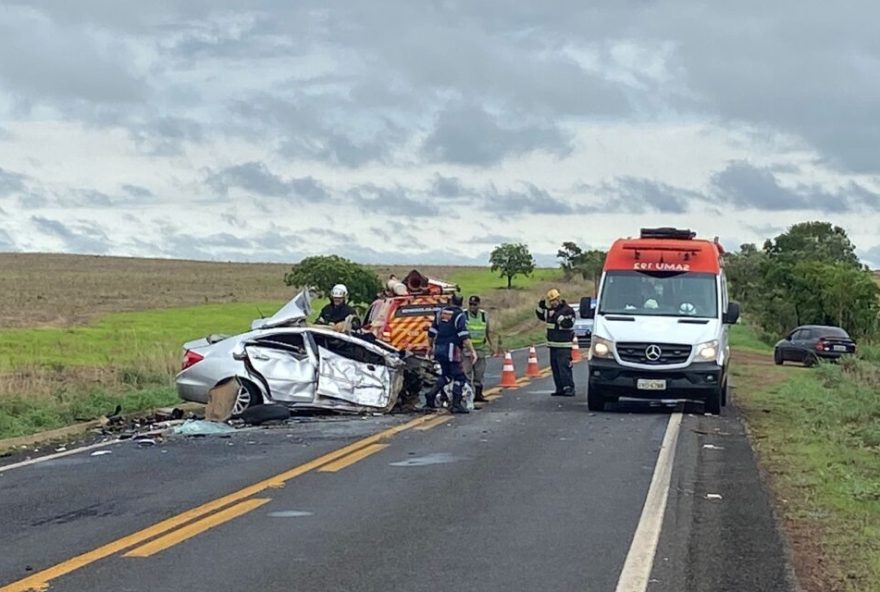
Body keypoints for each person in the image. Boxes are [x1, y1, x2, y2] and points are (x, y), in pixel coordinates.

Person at [426, 293, 478, 414]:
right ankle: (456, 403)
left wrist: (430, 346)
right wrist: (472, 351)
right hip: (451, 350)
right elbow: (463, 335)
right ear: (461, 303)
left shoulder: (440, 313)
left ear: (450, 301)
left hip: (439, 348)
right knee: (459, 377)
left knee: (446, 375)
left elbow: (431, 332)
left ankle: (430, 396)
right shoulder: (459, 315)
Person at [536, 288, 576, 396]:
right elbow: (541, 315)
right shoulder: (551, 311)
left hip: (564, 345)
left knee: (564, 368)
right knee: (555, 368)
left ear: (558, 298)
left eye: (554, 300)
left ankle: (569, 388)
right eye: (551, 301)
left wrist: (556, 316)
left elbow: (567, 323)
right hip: (553, 345)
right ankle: (560, 388)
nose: (553, 303)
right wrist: (540, 305)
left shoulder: (567, 310)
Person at [461, 295, 495, 402]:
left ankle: (478, 395)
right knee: (467, 372)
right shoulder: (464, 315)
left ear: (478, 305)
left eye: (474, 305)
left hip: (480, 349)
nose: (472, 307)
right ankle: (467, 395)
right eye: (470, 304)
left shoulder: (484, 315)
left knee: (479, 373)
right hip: (467, 350)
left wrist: (491, 346)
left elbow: (487, 332)